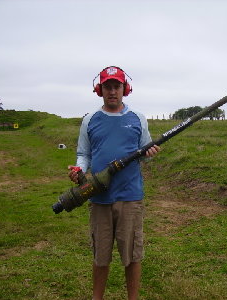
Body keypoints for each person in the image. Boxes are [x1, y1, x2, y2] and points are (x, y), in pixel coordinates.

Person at [68, 66, 160, 300]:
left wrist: (149, 154)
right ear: (100, 90)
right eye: (107, 86)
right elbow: (84, 154)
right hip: (99, 197)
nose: (112, 91)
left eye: (116, 86)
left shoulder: (138, 118)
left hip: (130, 197)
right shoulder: (90, 120)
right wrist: (80, 169)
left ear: (124, 89)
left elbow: (145, 150)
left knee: (132, 255)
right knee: (101, 256)